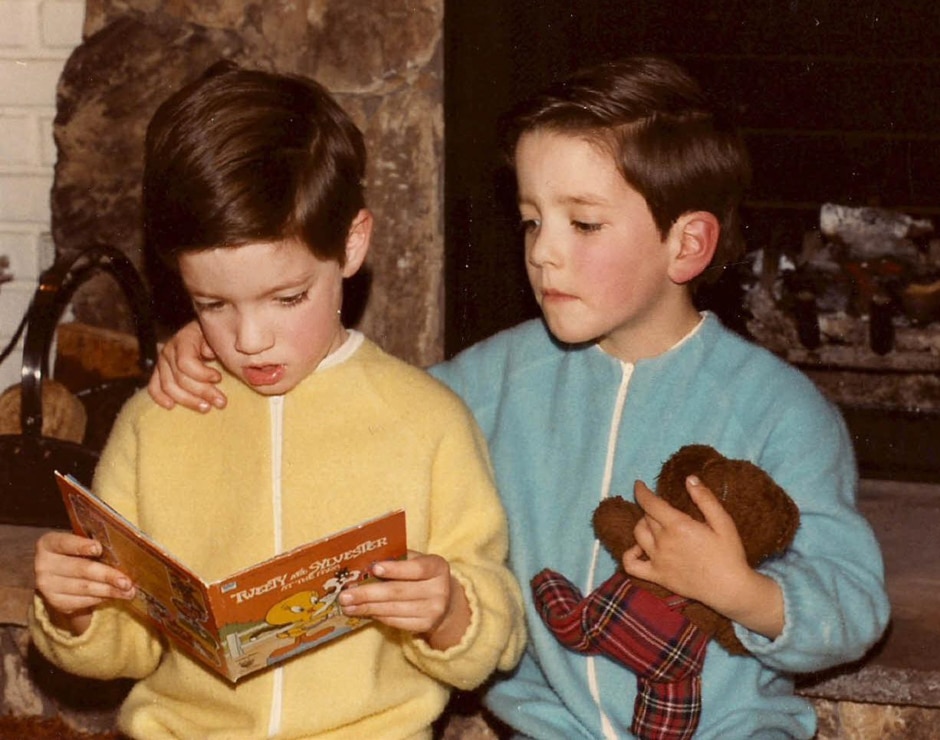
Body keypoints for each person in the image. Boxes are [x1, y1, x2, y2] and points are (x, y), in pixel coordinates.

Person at [147, 57, 890, 739]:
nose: (542, 250)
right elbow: (358, 402)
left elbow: (855, 601)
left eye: (583, 223)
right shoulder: (490, 384)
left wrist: (742, 591)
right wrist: (217, 341)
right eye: (532, 220)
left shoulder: (778, 410)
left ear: (687, 245)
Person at [29, 62, 525, 740]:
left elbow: (497, 628)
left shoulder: (428, 421)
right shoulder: (159, 418)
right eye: (212, 304)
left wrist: (447, 609)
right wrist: (74, 609)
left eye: (287, 298)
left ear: (351, 243)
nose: (250, 339)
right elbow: (125, 646)